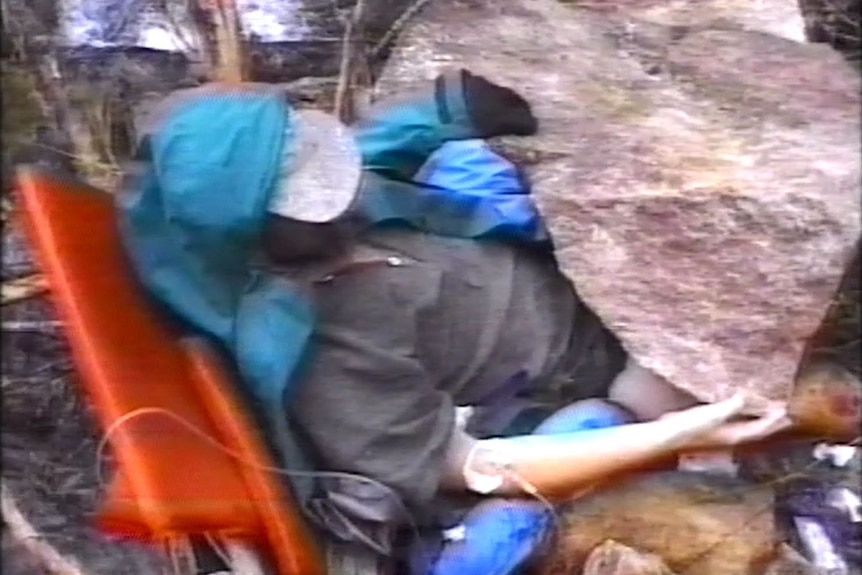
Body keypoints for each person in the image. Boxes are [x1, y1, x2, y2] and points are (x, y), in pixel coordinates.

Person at [117, 72, 792, 574]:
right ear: (268, 238)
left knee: (467, 167)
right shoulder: (321, 352)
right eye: (315, 198)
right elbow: (472, 466)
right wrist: (672, 431)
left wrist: (448, 111)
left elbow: (373, 149)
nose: (344, 189)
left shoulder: (307, 220)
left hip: (567, 291)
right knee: (734, 420)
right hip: (578, 377)